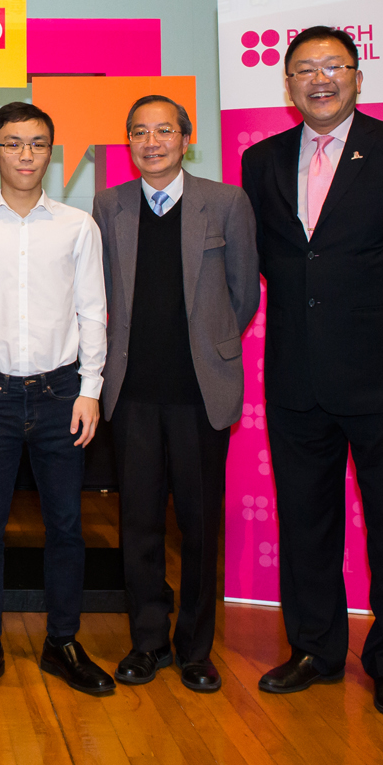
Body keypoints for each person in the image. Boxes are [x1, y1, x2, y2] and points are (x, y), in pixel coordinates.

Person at [240, 26, 383, 718]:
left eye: (333, 66)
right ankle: (315, 651)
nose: (320, 79)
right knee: (306, 523)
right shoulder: (262, 160)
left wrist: (382, 319)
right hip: (296, 377)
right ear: (288, 85)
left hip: (382, 373)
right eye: (304, 69)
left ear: (358, 76)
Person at [93, 95, 259, 693]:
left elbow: (243, 296)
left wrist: (208, 347)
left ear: (186, 139)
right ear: (128, 142)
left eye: (165, 130)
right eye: (139, 131)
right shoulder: (109, 204)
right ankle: (147, 642)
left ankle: (195, 648)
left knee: (197, 525)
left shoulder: (226, 201)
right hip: (132, 392)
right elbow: (104, 290)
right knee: (137, 524)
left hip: (198, 394)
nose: (151, 141)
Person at [0, 101, 113, 700]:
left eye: (37, 143)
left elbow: (93, 311)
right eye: (12, 143)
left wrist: (90, 389)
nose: (25, 154)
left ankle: (62, 642)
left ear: (51, 151)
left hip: (61, 396)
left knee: (67, 525)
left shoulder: (78, 226)